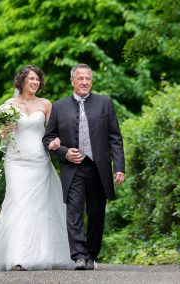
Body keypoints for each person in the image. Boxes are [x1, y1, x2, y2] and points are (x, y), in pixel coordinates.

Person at [0, 65, 74, 272]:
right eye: (31, 79)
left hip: (39, 160)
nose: (35, 82)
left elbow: (52, 132)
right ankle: (17, 256)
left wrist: (57, 141)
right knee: (18, 202)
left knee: (40, 208)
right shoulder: (9, 104)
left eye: (37, 79)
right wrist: (6, 129)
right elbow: (2, 135)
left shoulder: (46, 104)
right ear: (22, 81)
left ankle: (39, 253)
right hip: (16, 161)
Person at [42, 63, 125, 270]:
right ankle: (78, 255)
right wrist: (64, 152)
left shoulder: (105, 103)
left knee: (97, 212)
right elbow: (48, 138)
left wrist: (119, 166)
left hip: (99, 168)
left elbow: (115, 137)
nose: (85, 82)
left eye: (88, 78)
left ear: (92, 81)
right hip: (73, 168)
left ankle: (91, 254)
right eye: (80, 78)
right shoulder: (59, 107)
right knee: (75, 211)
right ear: (72, 81)